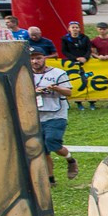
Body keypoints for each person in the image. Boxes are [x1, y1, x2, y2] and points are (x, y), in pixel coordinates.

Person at [29, 47, 76, 181]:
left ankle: (70, 160)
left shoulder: (58, 73)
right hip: (36, 116)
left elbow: (69, 92)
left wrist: (56, 88)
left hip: (56, 115)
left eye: (38, 58)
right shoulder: (25, 74)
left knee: (52, 142)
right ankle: (50, 179)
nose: (35, 61)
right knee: (42, 150)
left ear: (45, 58)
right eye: (32, 58)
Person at [59, 21, 94, 108]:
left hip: (85, 61)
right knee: (77, 81)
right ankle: (79, 102)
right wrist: (75, 58)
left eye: (76, 27)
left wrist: (85, 58)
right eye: (73, 27)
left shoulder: (85, 38)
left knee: (89, 80)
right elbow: (64, 51)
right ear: (69, 29)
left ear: (79, 29)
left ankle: (92, 102)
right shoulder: (65, 39)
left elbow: (89, 49)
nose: (75, 29)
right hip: (73, 61)